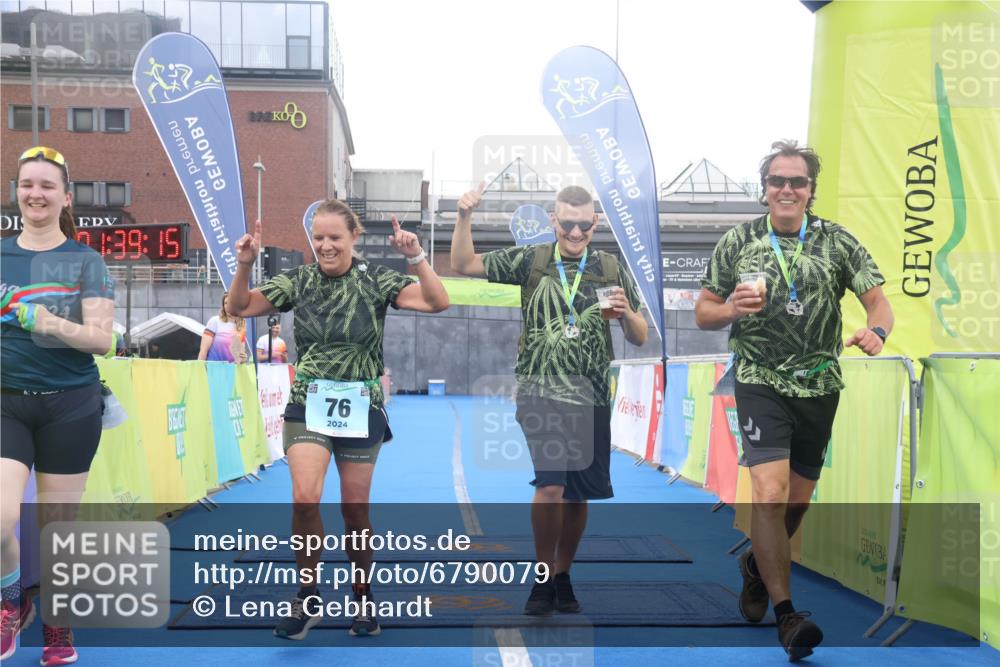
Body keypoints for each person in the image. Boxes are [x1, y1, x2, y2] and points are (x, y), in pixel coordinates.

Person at [695, 140, 894, 661]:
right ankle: (789, 616)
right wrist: (732, 308)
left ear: (810, 190)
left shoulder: (837, 241)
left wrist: (877, 333)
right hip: (760, 381)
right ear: (765, 190)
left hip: (821, 384)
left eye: (797, 182)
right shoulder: (738, 241)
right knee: (769, 491)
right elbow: (703, 312)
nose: (787, 189)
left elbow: (878, 302)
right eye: (778, 181)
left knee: (798, 501)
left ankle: (756, 569)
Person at [226, 200, 448, 639]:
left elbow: (437, 302)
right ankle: (308, 595)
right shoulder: (299, 280)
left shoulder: (376, 278)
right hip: (308, 400)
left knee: (354, 510)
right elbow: (239, 307)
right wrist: (244, 264)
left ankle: (362, 594)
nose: (326, 246)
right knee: (305, 497)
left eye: (335, 238)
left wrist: (416, 257)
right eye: (319, 238)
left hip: (360, 404)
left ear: (353, 238)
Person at [450, 184, 647, 616]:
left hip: (592, 394)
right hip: (541, 391)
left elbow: (640, 335)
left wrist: (627, 314)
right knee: (552, 485)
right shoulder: (532, 259)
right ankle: (541, 577)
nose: (575, 232)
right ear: (553, 222)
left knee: (577, 495)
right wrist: (464, 217)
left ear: (594, 224)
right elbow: (463, 264)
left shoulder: (612, 267)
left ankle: (562, 573)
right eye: (566, 223)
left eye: (583, 224)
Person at [1, 146, 116, 665]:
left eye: (47, 185)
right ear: (16, 193)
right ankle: (10, 602)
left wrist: (49, 323)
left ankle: (57, 625)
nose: (36, 193)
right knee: (1, 522)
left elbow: (102, 340)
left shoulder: (85, 261)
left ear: (65, 196)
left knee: (57, 530)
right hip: (6, 404)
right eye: (28, 184)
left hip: (70, 406)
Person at [197, 292, 248, 363]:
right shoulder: (215, 321)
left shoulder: (241, 326)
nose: (227, 306)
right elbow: (203, 351)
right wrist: (199, 371)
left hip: (232, 371)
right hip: (213, 369)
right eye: (225, 303)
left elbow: (239, 356)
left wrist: (243, 358)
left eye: (230, 303)